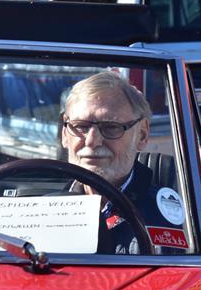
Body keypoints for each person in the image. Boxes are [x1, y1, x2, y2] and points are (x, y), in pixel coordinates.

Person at [61, 71, 188, 255]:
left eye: (111, 127)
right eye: (81, 126)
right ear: (65, 134)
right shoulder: (44, 210)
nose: (91, 141)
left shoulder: (175, 219)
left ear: (142, 135)